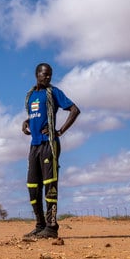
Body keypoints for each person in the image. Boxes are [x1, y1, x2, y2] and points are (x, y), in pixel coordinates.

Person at [22, 63, 80, 239]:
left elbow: (74, 110)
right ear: (36, 74)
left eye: (50, 75)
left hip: (49, 145)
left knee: (50, 185)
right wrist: (26, 122)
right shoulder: (31, 95)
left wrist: (60, 131)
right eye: (44, 74)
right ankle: (40, 225)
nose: (47, 77)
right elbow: (37, 115)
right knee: (32, 186)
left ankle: (52, 227)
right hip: (34, 145)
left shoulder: (53, 92)